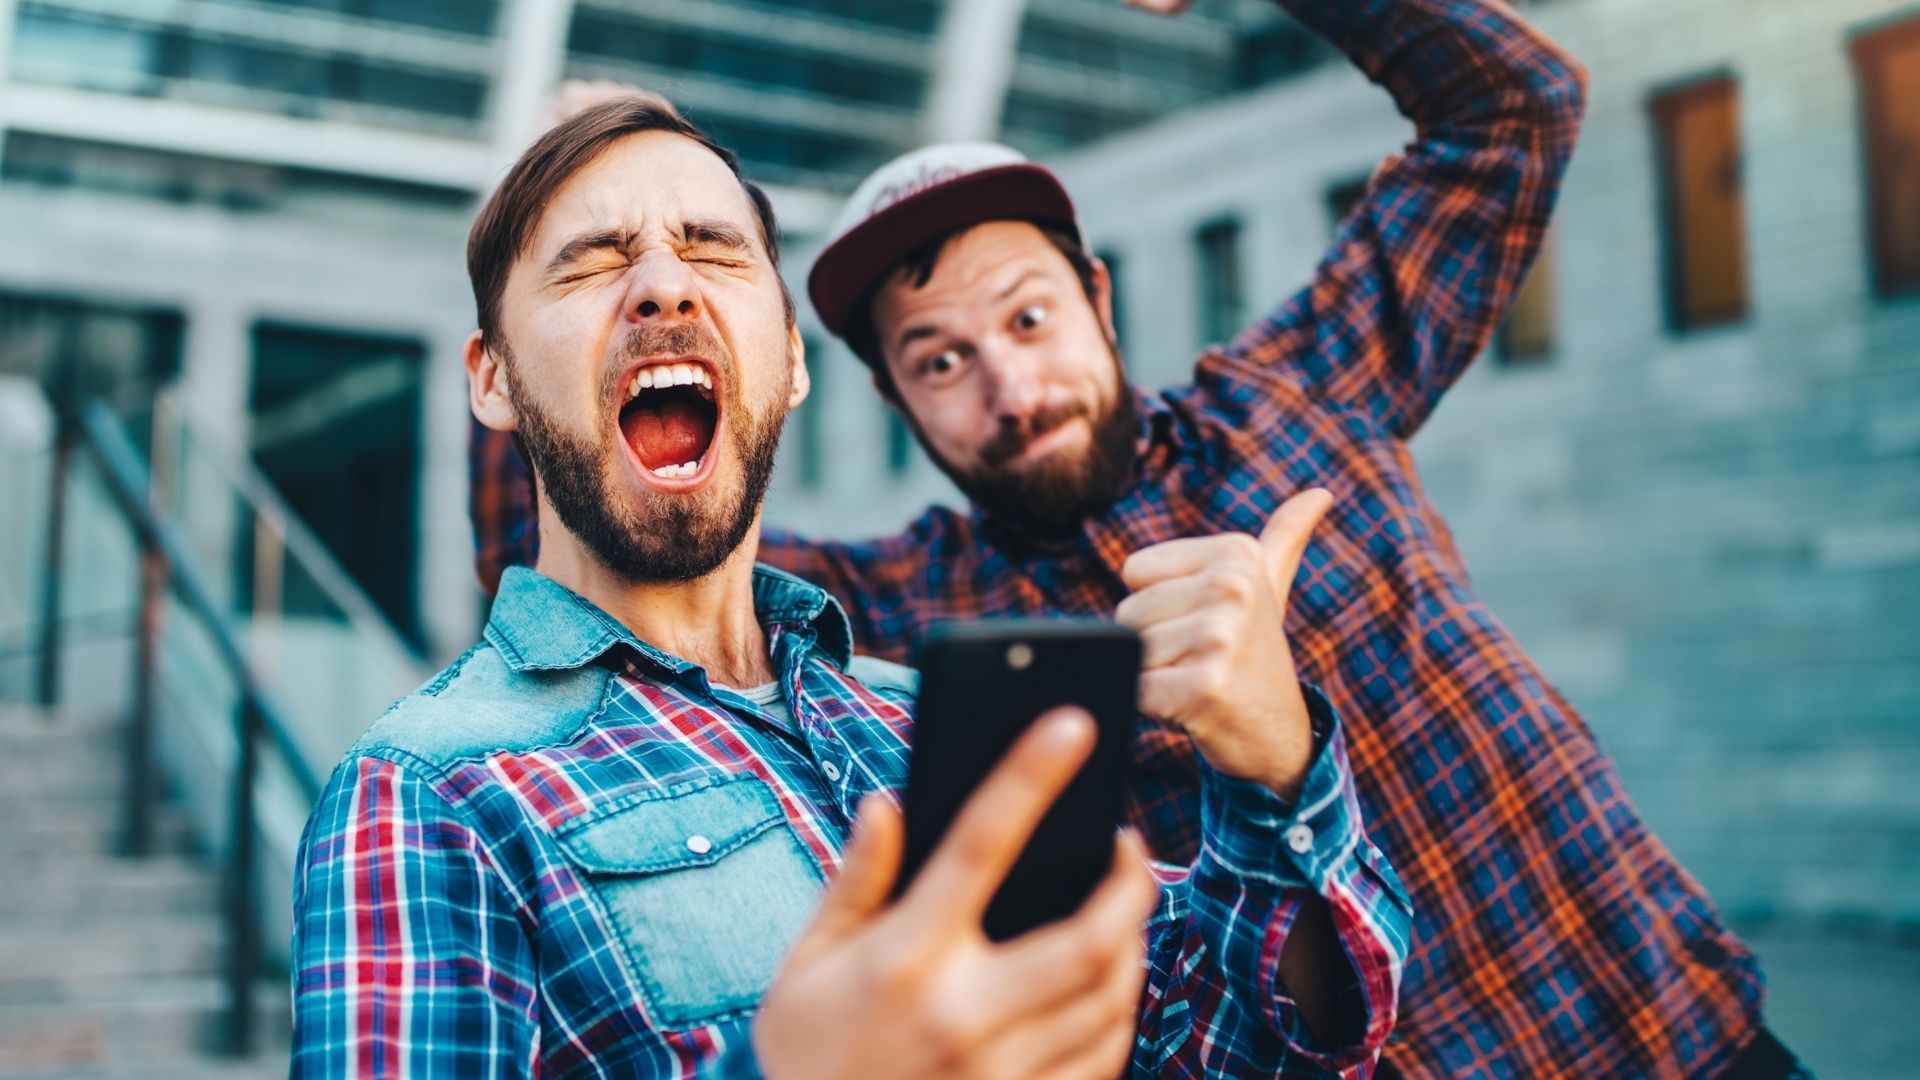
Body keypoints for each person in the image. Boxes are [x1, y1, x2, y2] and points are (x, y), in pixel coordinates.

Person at [468, 1, 1812, 1075]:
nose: (1004, 383)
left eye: (1030, 318)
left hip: (1667, 1039)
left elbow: (1517, 107)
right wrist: (558, 236)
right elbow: (575, 560)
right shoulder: (905, 612)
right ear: (891, 400)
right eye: (938, 361)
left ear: (1099, 300)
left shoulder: (1298, 398)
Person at [290, 96, 1413, 1077]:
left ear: (790, 360)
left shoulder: (923, 726)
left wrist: (1275, 774)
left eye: (714, 249)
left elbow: (1219, 1050)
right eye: (592, 261)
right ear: (491, 381)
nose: (664, 286)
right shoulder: (426, 792)